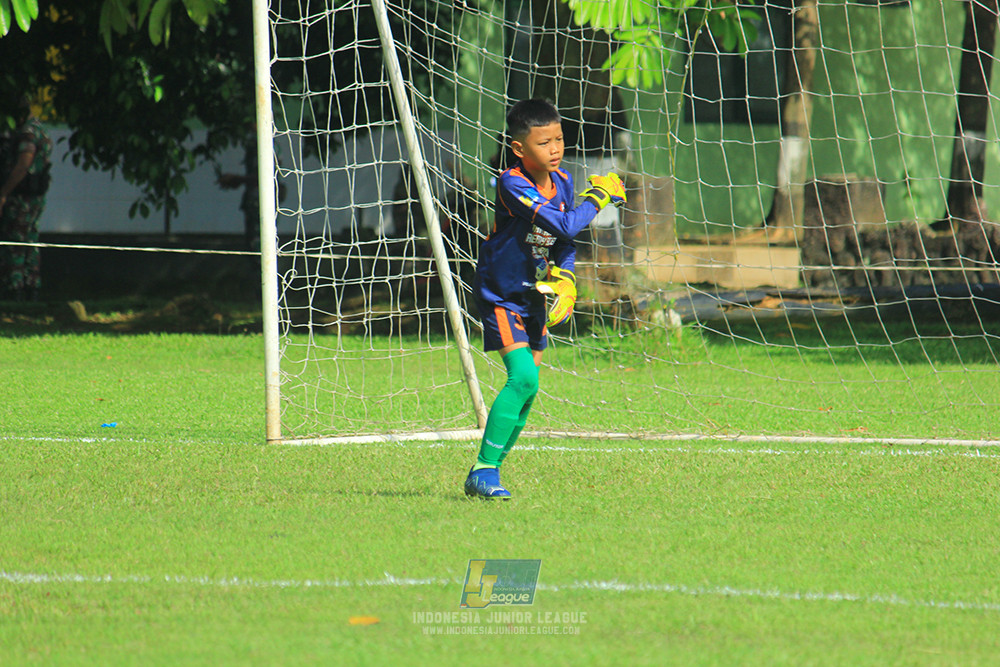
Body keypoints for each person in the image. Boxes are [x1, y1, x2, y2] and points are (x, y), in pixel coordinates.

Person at [464, 98, 626, 499]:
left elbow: (563, 240)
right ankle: (483, 470)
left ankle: (487, 472)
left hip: (536, 296)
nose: (555, 149)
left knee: (530, 388)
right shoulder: (511, 183)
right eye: (544, 143)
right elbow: (564, 222)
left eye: (559, 139)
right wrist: (598, 199)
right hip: (501, 295)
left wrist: (566, 278)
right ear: (520, 149)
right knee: (522, 377)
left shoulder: (565, 182)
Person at [0, 97, 52, 301]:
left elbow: (23, 164)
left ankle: (15, 288)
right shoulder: (41, 129)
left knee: (15, 241)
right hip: (36, 197)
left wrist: (4, 192)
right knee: (31, 241)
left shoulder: (27, 133)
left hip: (21, 197)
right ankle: (32, 287)